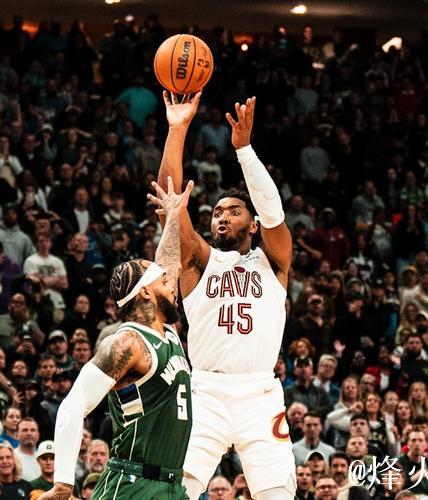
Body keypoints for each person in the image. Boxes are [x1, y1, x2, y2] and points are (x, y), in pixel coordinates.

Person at [158, 92, 296, 498]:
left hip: (260, 394)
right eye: (217, 212)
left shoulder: (274, 262)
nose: (222, 217)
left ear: (252, 225)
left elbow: (273, 213)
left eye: (234, 211)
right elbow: (171, 201)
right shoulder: (198, 262)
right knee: (174, 491)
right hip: (205, 392)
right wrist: (177, 128)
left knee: (278, 494)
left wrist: (244, 150)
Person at [41, 178, 192, 499]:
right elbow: (72, 406)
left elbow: (169, 261)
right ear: (146, 292)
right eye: (164, 282)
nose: (172, 284)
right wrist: (63, 482)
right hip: (131, 483)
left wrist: (173, 216)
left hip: (172, 485)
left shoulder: (167, 332)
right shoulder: (127, 343)